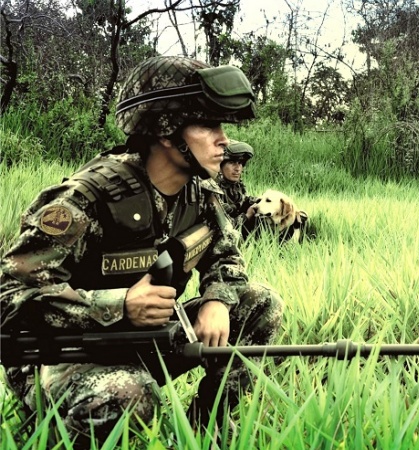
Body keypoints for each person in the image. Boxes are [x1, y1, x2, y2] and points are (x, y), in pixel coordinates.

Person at [0, 55, 284, 445]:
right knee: (130, 394)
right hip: (62, 355)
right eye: (207, 125)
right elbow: (9, 298)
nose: (223, 139)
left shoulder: (201, 193)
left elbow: (227, 258)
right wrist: (118, 305)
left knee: (260, 303)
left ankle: (207, 428)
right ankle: (54, 432)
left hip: (145, 340)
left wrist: (217, 300)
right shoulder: (86, 200)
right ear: (166, 131)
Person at [217, 140, 258, 231]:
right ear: (219, 165)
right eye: (232, 163)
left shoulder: (235, 185)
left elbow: (242, 201)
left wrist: (260, 201)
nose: (238, 168)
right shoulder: (213, 189)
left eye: (240, 163)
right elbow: (223, 226)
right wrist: (247, 216)